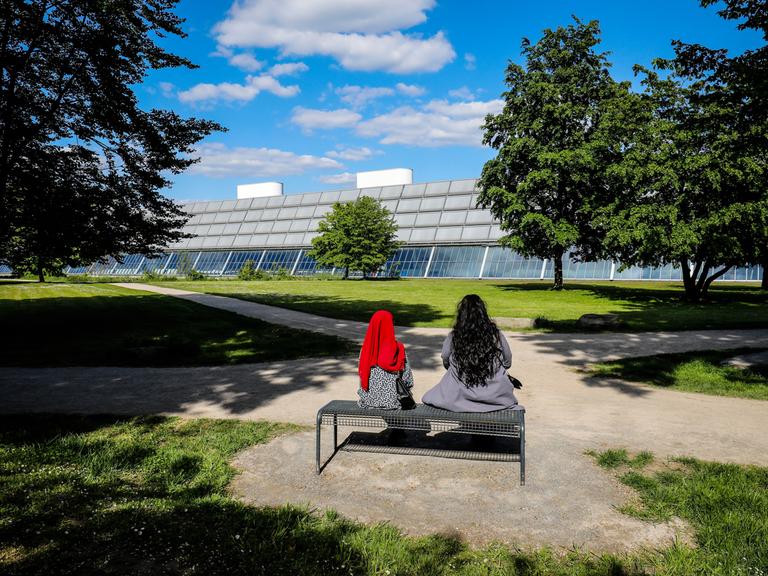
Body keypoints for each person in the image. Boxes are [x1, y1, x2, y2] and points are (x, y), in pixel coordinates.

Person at [423, 294, 520, 412]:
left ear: (461, 314)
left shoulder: (455, 335)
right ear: (483, 312)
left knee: (431, 396)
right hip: (494, 396)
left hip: (457, 395)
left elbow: (445, 358)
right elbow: (507, 361)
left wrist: (456, 369)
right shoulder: (496, 334)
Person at [357, 310, 414, 409]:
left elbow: (362, 375)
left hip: (369, 402)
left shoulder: (366, 350)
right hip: (395, 402)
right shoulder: (398, 349)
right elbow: (408, 380)